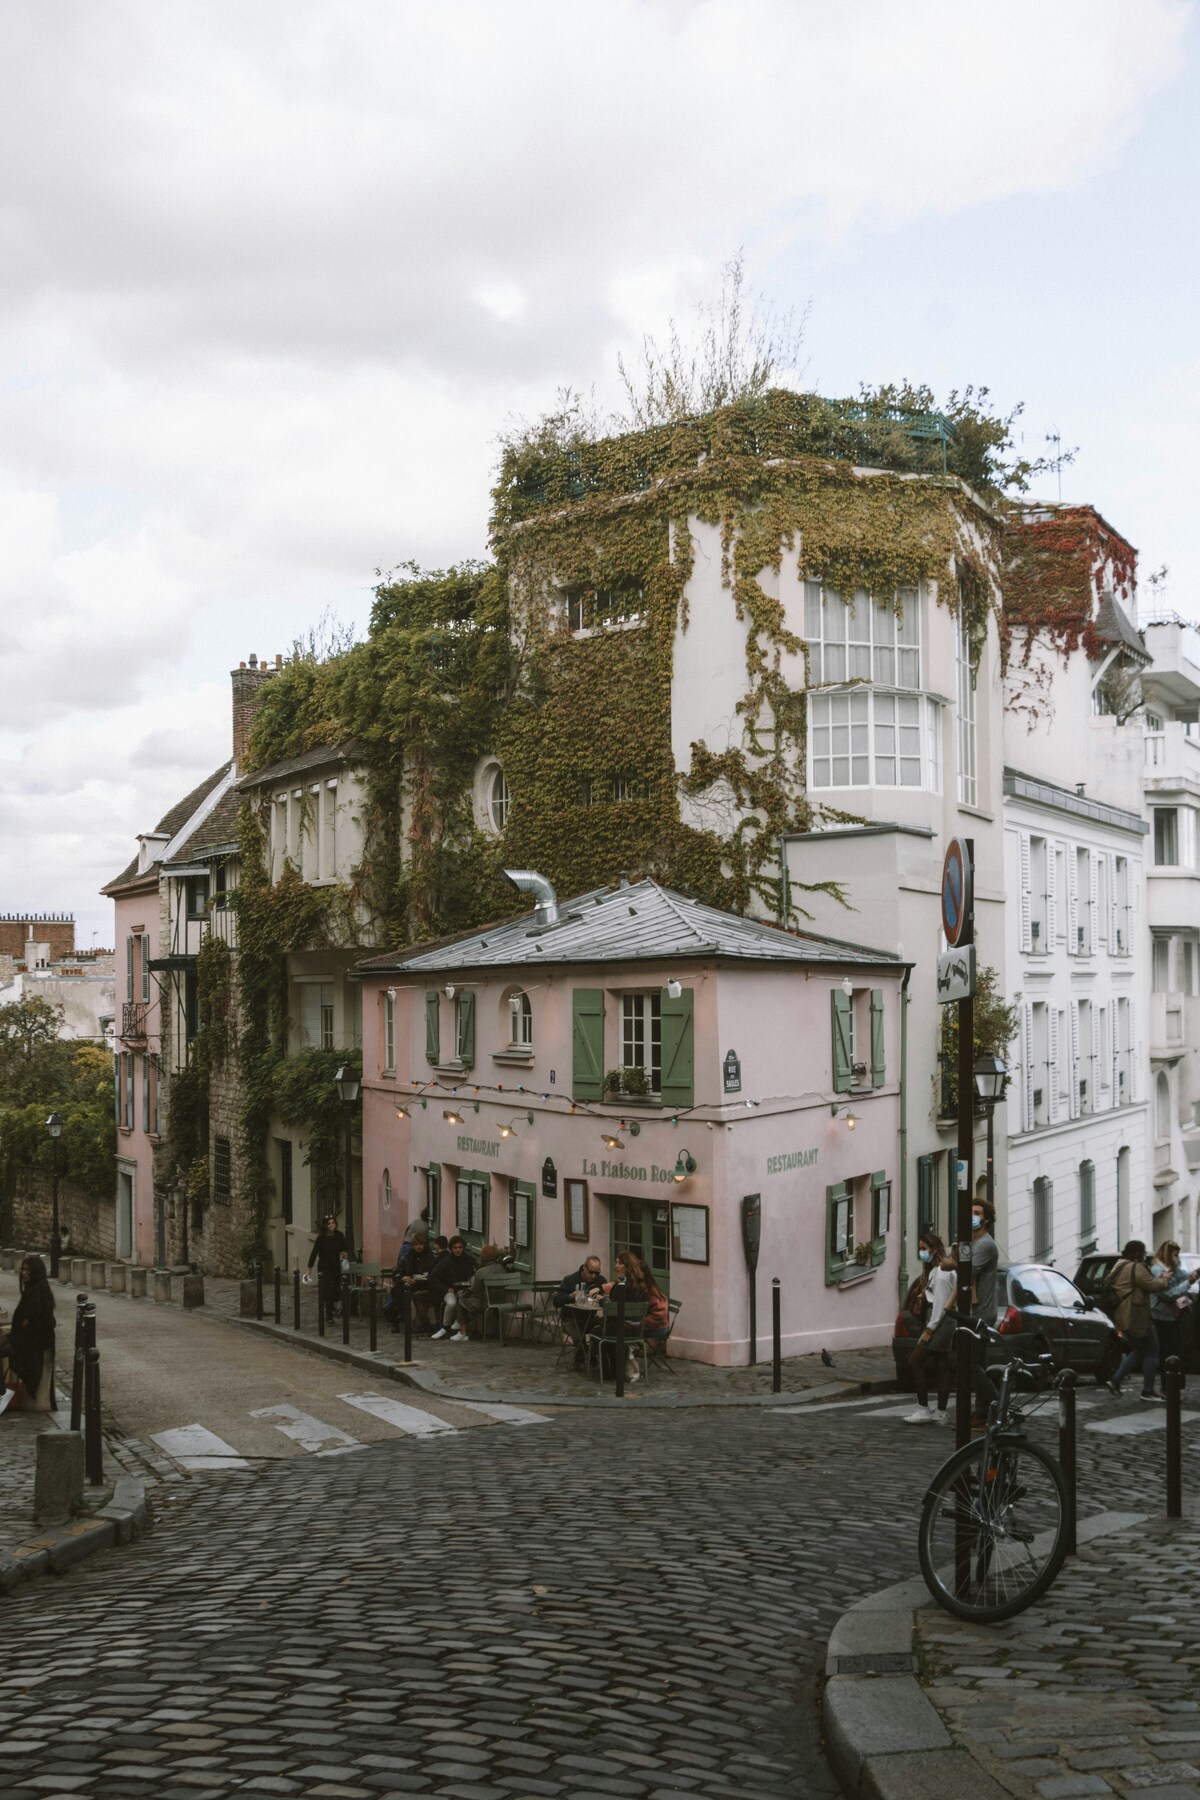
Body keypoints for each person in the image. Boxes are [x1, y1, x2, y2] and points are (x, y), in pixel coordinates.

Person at [1109, 1240, 1172, 1402]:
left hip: (1122, 1315)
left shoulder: (1119, 1266)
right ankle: (1148, 1391)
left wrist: (1158, 1277)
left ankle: (1115, 1380)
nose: (1144, 1256)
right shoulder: (1136, 1267)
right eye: (1143, 1252)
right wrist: (1165, 1280)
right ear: (1137, 1253)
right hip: (1136, 1315)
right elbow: (1151, 1286)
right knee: (1152, 1351)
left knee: (1138, 1351)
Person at [905, 1235, 954, 1425]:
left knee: (915, 1361)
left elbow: (941, 1305)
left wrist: (930, 1329)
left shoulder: (942, 1273)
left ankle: (923, 1408)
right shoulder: (935, 1270)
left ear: (933, 1250)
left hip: (940, 1321)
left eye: (924, 1248)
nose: (921, 1252)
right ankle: (940, 1411)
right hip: (941, 1320)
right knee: (941, 1365)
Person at [0, 1255, 56, 1415]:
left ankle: (2, 1394)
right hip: (23, 1336)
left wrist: (29, 1324)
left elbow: (47, 1322)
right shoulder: (31, 1289)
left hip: (34, 1339)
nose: (24, 1273)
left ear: (35, 1272)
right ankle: (2, 1392)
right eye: (23, 1269)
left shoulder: (41, 1291)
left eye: (27, 1270)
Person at [968, 1200, 1001, 1429]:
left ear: (986, 1219)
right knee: (977, 1363)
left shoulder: (985, 1245)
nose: (973, 1216)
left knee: (970, 1364)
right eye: (971, 1212)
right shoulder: (974, 1242)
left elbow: (968, 1270)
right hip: (976, 1311)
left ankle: (998, 1403)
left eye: (977, 1213)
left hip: (981, 1312)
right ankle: (981, 1412)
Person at [1149, 1241, 1200, 1384]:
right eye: (1175, 1255)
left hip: (1172, 1315)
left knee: (1176, 1351)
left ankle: (1174, 1385)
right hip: (1162, 1315)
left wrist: (1195, 1274)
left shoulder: (1172, 1268)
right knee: (1168, 1351)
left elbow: (1184, 1276)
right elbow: (1168, 1294)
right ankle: (1168, 1385)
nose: (1178, 1258)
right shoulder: (1158, 1271)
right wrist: (1189, 1282)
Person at [428, 1237, 477, 1340]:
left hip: (465, 1289)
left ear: (463, 1248)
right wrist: (445, 1288)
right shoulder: (445, 1262)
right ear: (451, 1249)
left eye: (460, 1247)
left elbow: (475, 1273)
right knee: (451, 1303)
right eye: (455, 1247)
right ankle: (445, 1328)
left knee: (463, 1299)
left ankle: (461, 1328)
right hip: (449, 1289)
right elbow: (432, 1278)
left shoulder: (469, 1260)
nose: (458, 1250)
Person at [383, 1234, 434, 1332]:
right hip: (408, 1284)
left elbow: (433, 1274)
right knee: (398, 1289)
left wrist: (419, 1279)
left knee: (406, 1291)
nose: (418, 1247)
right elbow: (397, 1272)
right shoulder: (407, 1257)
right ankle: (397, 1317)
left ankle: (402, 1317)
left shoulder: (430, 1257)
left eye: (420, 1244)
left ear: (424, 1245)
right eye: (416, 1245)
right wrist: (403, 1277)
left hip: (424, 1284)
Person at [306, 1214, 348, 1322]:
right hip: (325, 1267)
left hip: (335, 1267)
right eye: (329, 1223)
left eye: (333, 1223)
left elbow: (344, 1250)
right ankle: (329, 1316)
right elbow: (314, 1253)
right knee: (328, 1291)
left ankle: (332, 1308)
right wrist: (309, 1268)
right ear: (325, 1225)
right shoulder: (321, 1238)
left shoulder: (339, 1235)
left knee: (335, 1290)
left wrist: (345, 1261)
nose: (331, 1225)